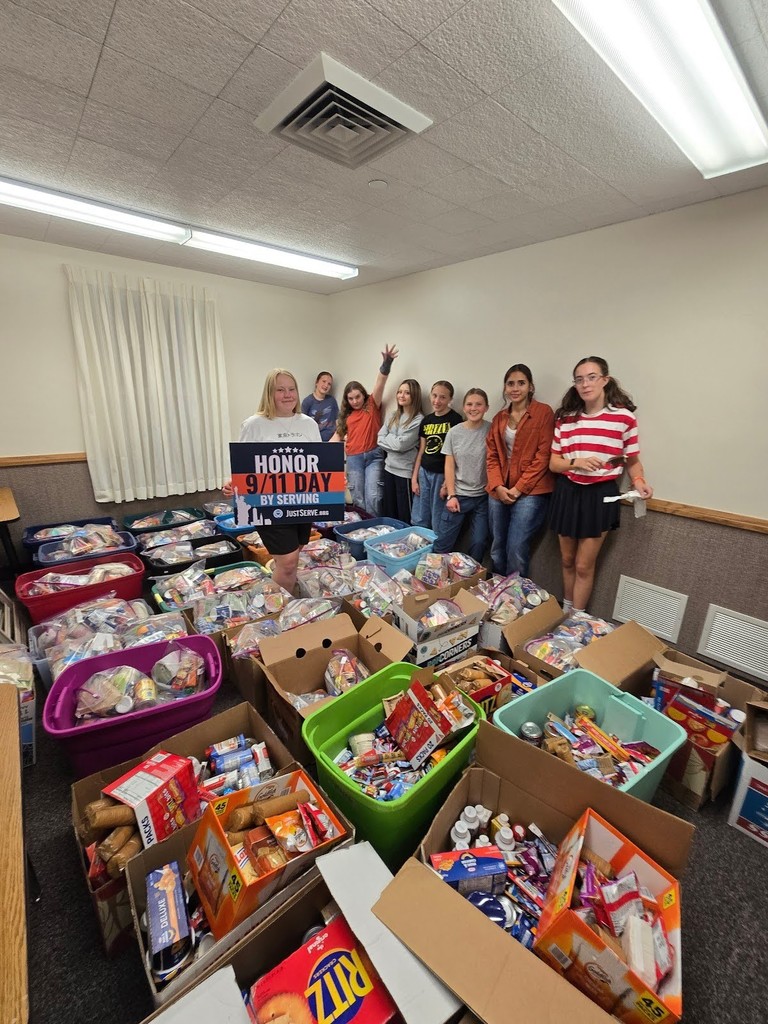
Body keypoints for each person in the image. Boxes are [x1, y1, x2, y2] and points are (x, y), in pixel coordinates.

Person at [549, 356, 653, 614]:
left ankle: (576, 619)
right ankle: (566, 611)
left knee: (585, 565)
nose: (586, 384)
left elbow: (632, 460)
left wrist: (639, 482)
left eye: (592, 377)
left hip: (601, 494)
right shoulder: (566, 419)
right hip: (568, 491)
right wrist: (576, 462)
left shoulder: (624, 419)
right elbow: (554, 463)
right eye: (579, 379)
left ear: (605, 380)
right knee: (567, 559)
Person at [222, 369, 321, 594]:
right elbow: (244, 466)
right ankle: (276, 611)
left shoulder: (308, 424)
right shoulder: (254, 424)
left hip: (302, 502)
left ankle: (282, 587)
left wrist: (335, 478)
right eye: (280, 390)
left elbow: (319, 464)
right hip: (268, 503)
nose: (287, 395)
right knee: (288, 562)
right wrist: (233, 484)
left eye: (292, 389)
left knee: (293, 555)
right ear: (269, 393)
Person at [486, 364, 555, 577]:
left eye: (521, 383)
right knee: (497, 547)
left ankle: (514, 597)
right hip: (499, 490)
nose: (515, 388)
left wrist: (518, 489)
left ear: (530, 386)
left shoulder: (543, 412)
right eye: (510, 383)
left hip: (530, 492)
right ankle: (496, 591)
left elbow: (543, 457)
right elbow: (492, 456)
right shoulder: (499, 418)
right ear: (505, 388)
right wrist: (498, 486)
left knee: (516, 547)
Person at [332, 345, 398, 516]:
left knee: (374, 496)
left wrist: (387, 362)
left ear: (364, 395)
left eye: (357, 397)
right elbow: (335, 439)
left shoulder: (371, 405)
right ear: (347, 400)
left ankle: (374, 531)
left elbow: (381, 382)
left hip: (373, 456)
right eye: (351, 398)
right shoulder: (346, 415)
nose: (355, 401)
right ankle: (362, 531)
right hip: (353, 459)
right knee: (358, 498)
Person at [434, 389, 491, 563]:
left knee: (479, 542)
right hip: (458, 496)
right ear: (463, 407)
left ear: (486, 407)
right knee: (443, 542)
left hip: (483, 497)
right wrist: (451, 494)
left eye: (479, 404)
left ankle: (471, 579)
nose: (474, 408)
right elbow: (449, 465)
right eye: (469, 404)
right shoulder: (454, 433)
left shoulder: (492, 429)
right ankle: (433, 576)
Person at [411, 381, 463, 530]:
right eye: (434, 396)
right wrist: (414, 479)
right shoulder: (426, 421)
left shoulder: (455, 420)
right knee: (420, 513)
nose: (437, 401)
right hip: (424, 472)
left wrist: (447, 483)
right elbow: (421, 450)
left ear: (450, 400)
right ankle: (419, 543)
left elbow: (456, 455)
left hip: (441, 474)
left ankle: (436, 548)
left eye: (442, 397)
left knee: (437, 513)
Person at [377, 378, 423, 522]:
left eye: (407, 393)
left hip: (405, 473)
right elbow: (379, 439)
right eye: (399, 392)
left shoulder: (418, 419)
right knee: (389, 513)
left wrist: (390, 438)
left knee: (404, 516)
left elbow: (401, 445)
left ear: (414, 396)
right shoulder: (392, 415)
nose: (401, 396)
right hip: (389, 468)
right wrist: (395, 441)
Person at [301, 371, 339, 442]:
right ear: (317, 382)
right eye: (324, 381)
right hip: (314, 441)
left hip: (332, 440)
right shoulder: (307, 401)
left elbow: (338, 421)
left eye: (329, 384)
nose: (326, 385)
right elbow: (303, 425)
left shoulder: (332, 400)